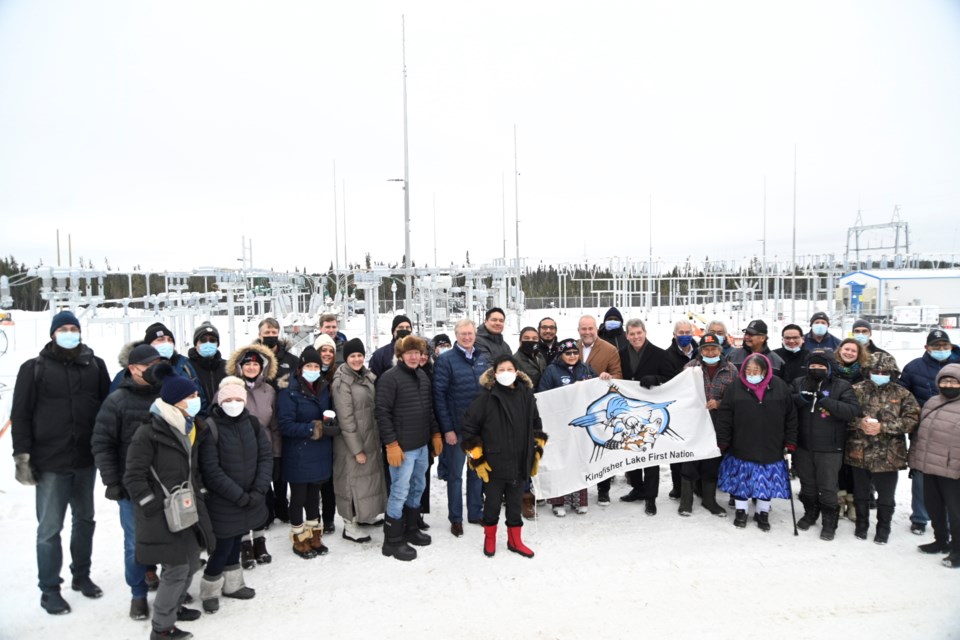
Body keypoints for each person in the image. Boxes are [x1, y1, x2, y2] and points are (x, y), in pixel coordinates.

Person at [11, 310, 111, 615]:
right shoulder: (35, 368)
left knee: (85, 520)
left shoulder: (95, 365)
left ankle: (81, 575)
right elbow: (21, 415)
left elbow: (108, 409)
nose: (69, 332)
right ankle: (50, 589)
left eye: (74, 328)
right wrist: (22, 456)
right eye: (64, 328)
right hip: (50, 461)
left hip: (84, 459)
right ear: (53, 333)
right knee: (50, 528)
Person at [123, 368, 213, 640]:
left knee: (191, 561)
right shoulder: (149, 432)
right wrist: (150, 503)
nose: (197, 399)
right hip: (160, 511)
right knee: (177, 568)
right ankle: (162, 628)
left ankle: (174, 607)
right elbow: (133, 474)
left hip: (185, 506)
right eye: (191, 395)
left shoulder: (187, 426)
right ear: (175, 400)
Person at [92, 344, 165, 620]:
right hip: (132, 485)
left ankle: (172, 588)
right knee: (135, 541)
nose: (154, 370)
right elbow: (102, 444)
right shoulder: (117, 401)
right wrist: (112, 481)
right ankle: (138, 594)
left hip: (166, 481)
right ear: (133, 369)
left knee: (172, 535)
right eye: (149, 365)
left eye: (158, 364)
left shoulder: (165, 395)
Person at [197, 376, 272, 614]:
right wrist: (238, 495)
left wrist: (259, 489)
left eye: (237, 399)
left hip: (250, 496)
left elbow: (265, 457)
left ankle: (233, 584)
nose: (233, 403)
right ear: (220, 402)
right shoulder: (211, 427)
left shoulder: (251, 423)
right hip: (224, 500)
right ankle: (209, 589)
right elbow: (211, 470)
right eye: (227, 399)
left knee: (236, 540)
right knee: (223, 546)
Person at [461, 355, 547, 558]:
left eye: (510, 369)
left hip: (520, 460)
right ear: (495, 373)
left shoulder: (526, 394)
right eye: (502, 369)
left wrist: (536, 450)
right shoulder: (486, 397)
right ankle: (489, 538)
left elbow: (536, 422)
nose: (506, 373)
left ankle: (515, 540)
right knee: (491, 505)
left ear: (517, 372)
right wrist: (477, 457)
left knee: (515, 504)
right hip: (494, 462)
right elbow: (468, 427)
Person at [375, 336, 443, 561]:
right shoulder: (390, 378)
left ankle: (411, 528)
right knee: (399, 491)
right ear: (401, 355)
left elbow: (429, 410)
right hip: (402, 448)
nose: (415, 356)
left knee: (418, 487)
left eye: (418, 352)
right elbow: (382, 413)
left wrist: (434, 434)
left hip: (421, 445)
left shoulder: (422, 376)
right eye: (410, 352)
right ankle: (392, 540)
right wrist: (391, 444)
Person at [716, 353, 798, 531]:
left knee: (765, 481)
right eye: (748, 370)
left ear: (766, 370)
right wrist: (723, 440)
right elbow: (725, 417)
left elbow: (791, 416)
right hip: (742, 443)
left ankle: (762, 512)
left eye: (756, 370)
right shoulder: (735, 387)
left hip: (771, 443)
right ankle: (741, 511)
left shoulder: (779, 386)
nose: (752, 373)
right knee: (742, 480)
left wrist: (790, 441)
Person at [847, 351, 921, 544]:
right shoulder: (855, 390)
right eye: (875, 370)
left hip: (889, 454)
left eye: (884, 371)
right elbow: (843, 415)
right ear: (868, 370)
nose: (880, 373)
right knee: (861, 493)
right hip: (859, 451)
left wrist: (883, 427)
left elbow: (912, 420)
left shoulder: (903, 394)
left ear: (892, 372)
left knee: (886, 496)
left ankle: (883, 528)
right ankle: (861, 525)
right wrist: (858, 423)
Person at [791, 349, 861, 541]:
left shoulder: (842, 386)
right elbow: (785, 404)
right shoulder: (799, 383)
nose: (816, 369)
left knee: (828, 487)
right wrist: (800, 399)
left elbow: (851, 410)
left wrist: (826, 401)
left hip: (830, 447)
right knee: (808, 485)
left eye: (821, 366)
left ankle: (830, 522)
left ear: (829, 367)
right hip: (804, 445)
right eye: (813, 366)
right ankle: (810, 513)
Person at [276, 346, 339, 559]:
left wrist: (331, 425)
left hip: (320, 451)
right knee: (299, 496)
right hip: (299, 452)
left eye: (315, 366)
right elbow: (285, 425)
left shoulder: (323, 387)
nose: (312, 369)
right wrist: (312, 428)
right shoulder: (289, 391)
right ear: (300, 368)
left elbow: (329, 414)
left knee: (314, 495)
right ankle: (298, 536)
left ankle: (314, 534)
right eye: (308, 366)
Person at [899, 328, 960, 535]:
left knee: (952, 481)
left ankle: (953, 522)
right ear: (926, 347)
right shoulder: (914, 367)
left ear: (951, 346)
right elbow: (902, 395)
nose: (940, 349)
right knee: (922, 477)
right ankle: (920, 517)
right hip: (924, 428)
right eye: (936, 346)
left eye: (944, 346)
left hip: (954, 433)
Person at [433, 319, 490, 536]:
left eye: (470, 333)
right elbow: (439, 396)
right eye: (463, 334)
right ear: (456, 335)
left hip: (477, 429)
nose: (467, 337)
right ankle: (455, 518)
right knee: (455, 475)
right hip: (456, 428)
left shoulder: (482, 358)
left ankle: (475, 512)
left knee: (476, 471)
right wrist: (447, 429)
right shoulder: (446, 360)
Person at [224, 343, 278, 566]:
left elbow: (274, 425)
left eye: (256, 364)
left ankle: (260, 541)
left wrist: (276, 454)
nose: (252, 367)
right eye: (247, 364)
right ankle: (244, 544)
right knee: (241, 499)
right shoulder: (229, 388)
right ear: (239, 366)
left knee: (260, 496)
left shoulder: (269, 391)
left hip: (262, 450)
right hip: (237, 452)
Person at [330, 338, 387, 543]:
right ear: (346, 358)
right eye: (352, 356)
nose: (357, 359)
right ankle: (349, 524)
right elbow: (345, 419)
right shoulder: (341, 382)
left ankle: (365, 516)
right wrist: (357, 449)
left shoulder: (366, 376)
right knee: (350, 483)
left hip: (369, 437)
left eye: (360, 355)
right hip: (350, 443)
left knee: (368, 481)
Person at [616, 318, 675, 514]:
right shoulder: (621, 354)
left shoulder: (659, 353)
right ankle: (637, 488)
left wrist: (656, 379)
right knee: (632, 450)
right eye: (631, 334)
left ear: (645, 332)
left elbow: (670, 379)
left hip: (651, 412)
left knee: (650, 453)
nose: (635, 337)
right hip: (629, 411)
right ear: (626, 336)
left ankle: (651, 497)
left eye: (638, 333)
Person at [679, 333, 737, 517]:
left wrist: (719, 403)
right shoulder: (689, 368)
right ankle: (686, 501)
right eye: (706, 349)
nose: (710, 352)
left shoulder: (731, 370)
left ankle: (709, 500)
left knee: (712, 462)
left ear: (720, 350)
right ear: (700, 350)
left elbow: (736, 398)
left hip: (718, 423)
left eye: (713, 349)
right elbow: (680, 393)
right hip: (694, 424)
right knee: (689, 462)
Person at [908, 364, 960, 568]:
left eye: (954, 381)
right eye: (945, 381)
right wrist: (915, 460)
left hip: (953, 469)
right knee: (934, 507)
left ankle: (958, 550)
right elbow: (920, 435)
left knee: (956, 512)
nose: (948, 385)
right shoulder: (931, 402)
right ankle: (940, 541)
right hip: (929, 465)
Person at [538, 338, 597, 516]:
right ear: (560, 354)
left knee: (579, 460)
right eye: (568, 353)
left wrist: (603, 378)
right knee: (560, 461)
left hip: (580, 424)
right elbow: (543, 394)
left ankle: (579, 500)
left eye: (575, 352)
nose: (572, 356)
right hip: (559, 424)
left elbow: (597, 389)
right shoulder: (551, 371)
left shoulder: (585, 368)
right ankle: (558, 502)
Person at [577, 315, 621, 506]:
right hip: (578, 405)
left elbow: (619, 375)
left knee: (602, 447)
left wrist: (609, 377)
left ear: (597, 329)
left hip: (600, 406)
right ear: (578, 330)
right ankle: (579, 488)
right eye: (583, 329)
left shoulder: (610, 349)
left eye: (590, 328)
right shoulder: (572, 347)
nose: (587, 332)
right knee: (579, 448)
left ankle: (603, 490)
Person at [831, 338, 869, 522]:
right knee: (837, 464)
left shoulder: (864, 373)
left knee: (853, 464)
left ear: (859, 354)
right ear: (840, 350)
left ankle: (852, 501)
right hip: (834, 423)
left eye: (853, 351)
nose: (849, 353)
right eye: (846, 349)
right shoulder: (832, 370)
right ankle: (839, 499)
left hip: (857, 424)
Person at [663, 319, 699, 499]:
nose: (684, 336)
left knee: (698, 448)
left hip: (699, 407)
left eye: (687, 332)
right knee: (677, 450)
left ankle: (697, 486)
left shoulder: (701, 352)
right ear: (674, 335)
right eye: (681, 332)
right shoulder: (667, 355)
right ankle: (678, 486)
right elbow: (668, 380)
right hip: (678, 407)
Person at [314, 333, 340, 533]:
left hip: (332, 430)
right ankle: (313, 517)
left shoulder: (336, 374)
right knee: (315, 478)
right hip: (313, 431)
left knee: (329, 479)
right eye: (323, 350)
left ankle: (329, 517)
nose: (327, 354)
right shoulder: (310, 372)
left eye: (330, 350)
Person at [187, 322, 226, 414]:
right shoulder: (187, 367)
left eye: (212, 340)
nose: (208, 343)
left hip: (222, 420)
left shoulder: (227, 367)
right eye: (203, 340)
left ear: (217, 344)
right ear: (196, 344)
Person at [256, 317, 300, 387]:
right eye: (267, 332)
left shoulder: (293, 361)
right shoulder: (250, 359)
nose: (271, 335)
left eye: (274, 332)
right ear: (260, 335)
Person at [514, 326, 547, 391]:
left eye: (534, 338)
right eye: (526, 338)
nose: (530, 341)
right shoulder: (514, 360)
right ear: (520, 341)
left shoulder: (540, 356)